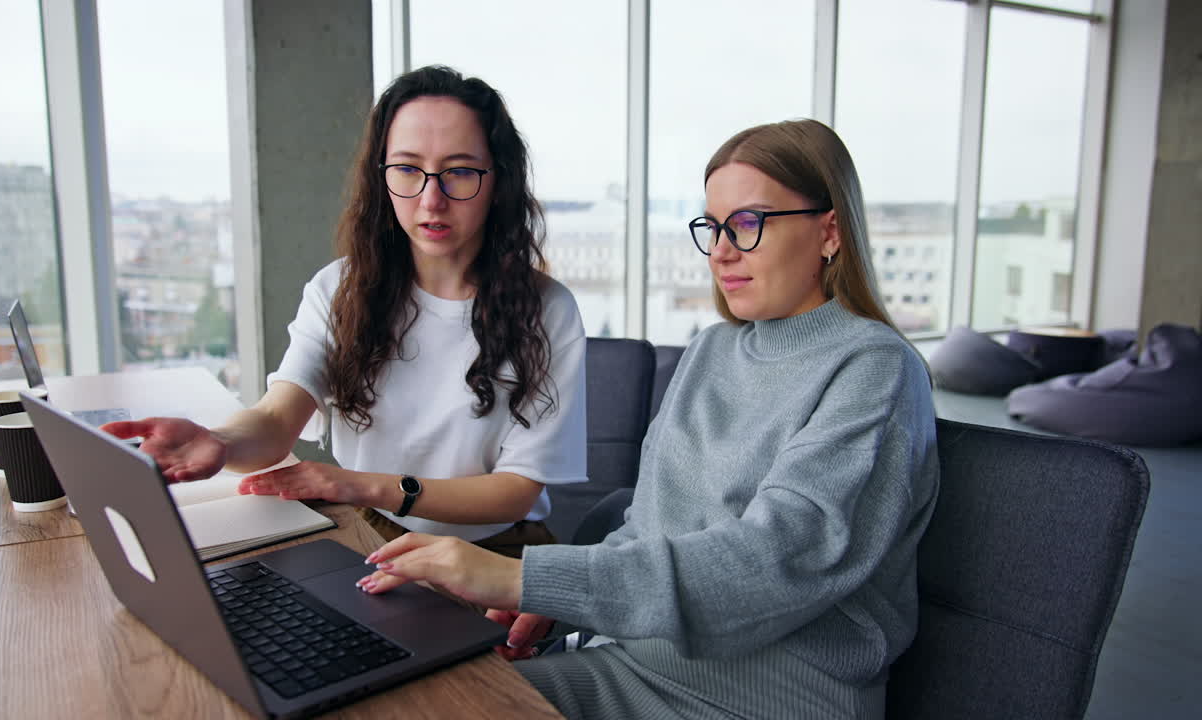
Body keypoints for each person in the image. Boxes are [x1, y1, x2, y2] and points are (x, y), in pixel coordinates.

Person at [356, 119, 940, 719]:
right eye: (713, 227)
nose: (721, 251)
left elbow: (778, 560)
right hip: (631, 664)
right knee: (416, 703)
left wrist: (523, 578)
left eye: (747, 223)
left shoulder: (876, 369)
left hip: (764, 701)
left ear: (830, 230)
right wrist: (568, 600)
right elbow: (651, 524)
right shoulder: (714, 350)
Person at [103, 65, 587, 558]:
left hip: (495, 552)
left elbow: (515, 491)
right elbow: (276, 419)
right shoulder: (341, 288)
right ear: (382, 177)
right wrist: (219, 442)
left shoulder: (547, 313)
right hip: (368, 532)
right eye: (407, 169)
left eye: (460, 171)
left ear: (499, 182)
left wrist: (358, 485)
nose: (430, 199)